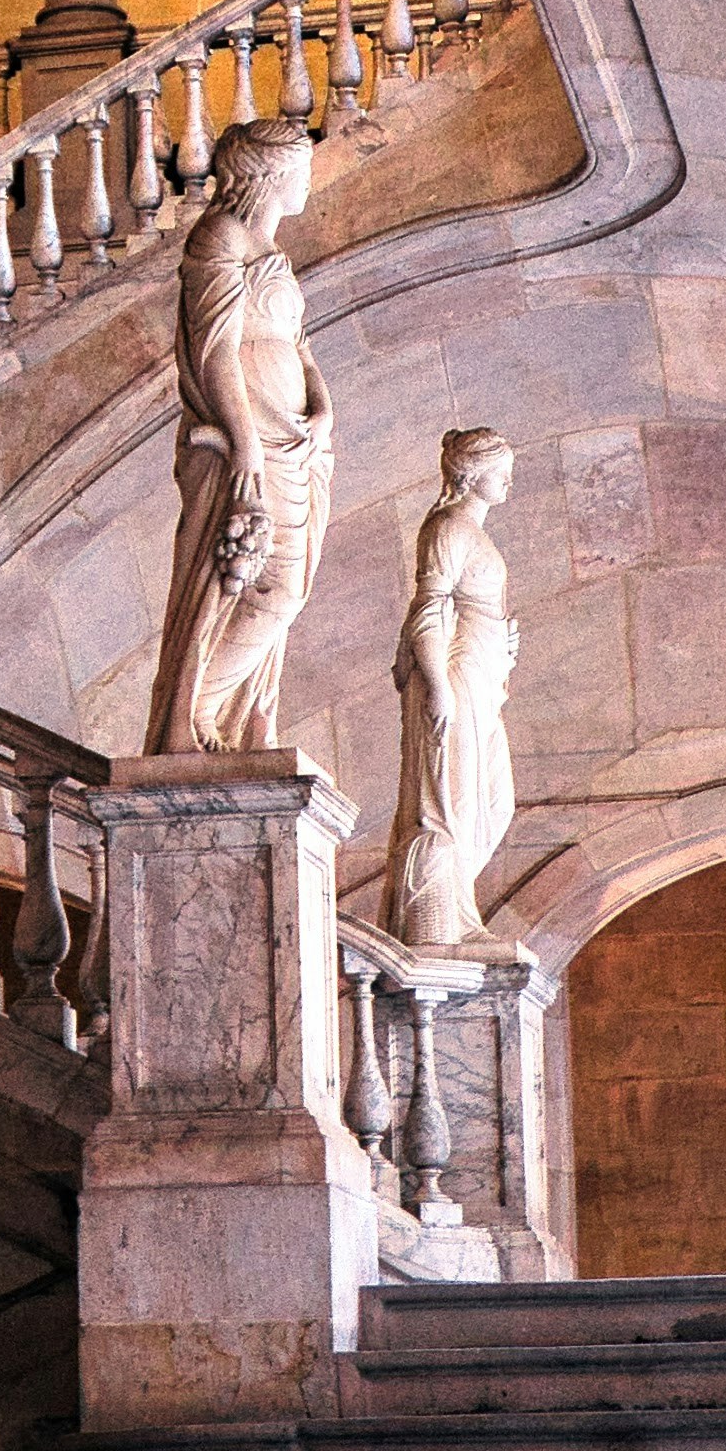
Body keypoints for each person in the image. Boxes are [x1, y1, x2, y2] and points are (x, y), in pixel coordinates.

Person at [142, 116, 334, 754]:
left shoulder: (271, 252)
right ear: (269, 175)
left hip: (297, 441)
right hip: (253, 441)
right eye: (300, 169)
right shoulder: (219, 236)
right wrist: (243, 440)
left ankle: (222, 714)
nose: (308, 181)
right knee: (260, 583)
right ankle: (194, 713)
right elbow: (215, 352)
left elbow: (300, 349)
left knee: (288, 587)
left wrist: (324, 410)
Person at [380, 423, 518, 947]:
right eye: (501, 472)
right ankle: (438, 923)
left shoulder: (472, 531)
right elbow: (429, 607)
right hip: (455, 673)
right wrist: (437, 683)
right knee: (447, 799)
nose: (508, 483)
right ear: (473, 473)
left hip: (482, 675)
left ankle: (459, 910)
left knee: (493, 803)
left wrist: (502, 647)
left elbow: (473, 607)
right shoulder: (448, 528)